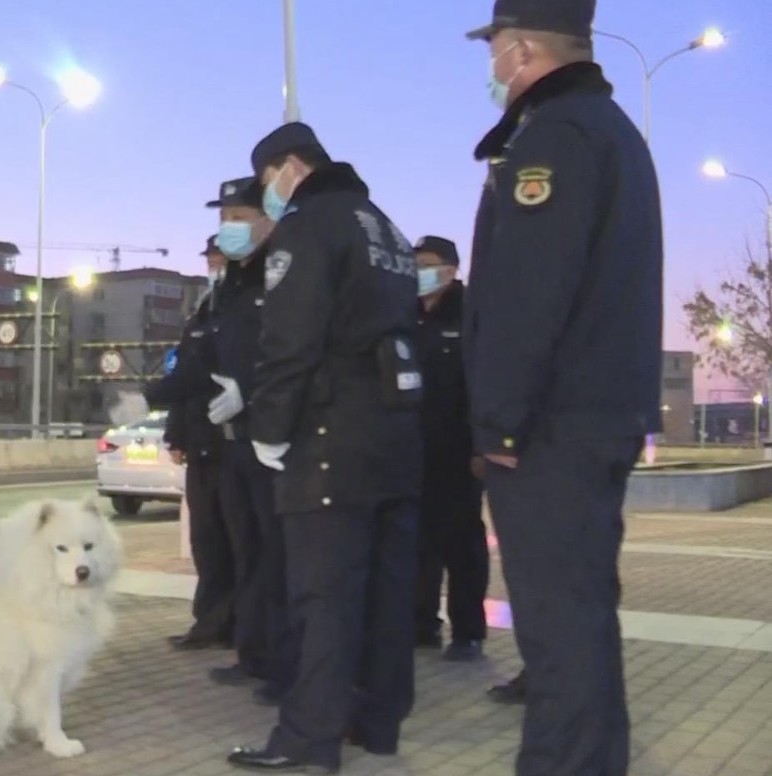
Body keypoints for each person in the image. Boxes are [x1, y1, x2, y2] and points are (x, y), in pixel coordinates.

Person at [464, 0, 661, 772]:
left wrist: (500, 425)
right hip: (594, 418)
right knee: (582, 621)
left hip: (551, 430)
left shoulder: (554, 136)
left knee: (557, 630)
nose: (492, 70)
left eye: (494, 54)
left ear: (518, 50)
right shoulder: (609, 129)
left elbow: (527, 294)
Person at [227, 123, 423, 774]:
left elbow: (291, 337)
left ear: (287, 168)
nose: (268, 196)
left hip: (330, 434)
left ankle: (308, 738)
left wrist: (269, 431)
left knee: (324, 596)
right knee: (386, 592)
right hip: (394, 431)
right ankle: (378, 721)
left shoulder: (310, 224)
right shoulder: (383, 224)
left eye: (265, 183)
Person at [200, 178, 293, 709]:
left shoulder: (283, 270)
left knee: (280, 557)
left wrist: (252, 394)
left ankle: (284, 664)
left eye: (237, 216)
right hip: (236, 441)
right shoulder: (234, 281)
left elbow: (292, 353)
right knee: (250, 554)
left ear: (267, 218)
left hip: (274, 439)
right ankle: (254, 653)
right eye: (223, 217)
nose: (227, 228)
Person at [143, 234, 236, 651]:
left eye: (220, 258)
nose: (214, 265)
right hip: (201, 444)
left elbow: (197, 377)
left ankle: (241, 627)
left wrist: (148, 396)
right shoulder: (201, 312)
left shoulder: (243, 307)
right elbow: (183, 378)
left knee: (239, 544)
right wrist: (175, 434)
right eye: (210, 259)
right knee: (207, 541)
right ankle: (209, 623)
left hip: (234, 444)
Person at [412, 236, 488, 662]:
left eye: (428, 263)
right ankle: (421, 625)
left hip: (458, 453)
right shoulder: (405, 315)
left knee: (462, 547)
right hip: (412, 450)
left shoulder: (472, 312)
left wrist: (482, 445)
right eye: (415, 263)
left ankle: (468, 631)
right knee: (415, 545)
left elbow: (483, 385)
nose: (420, 271)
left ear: (451, 268)